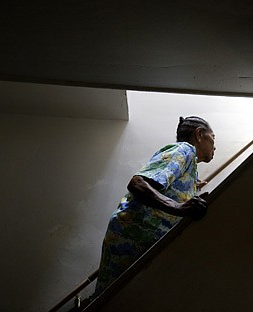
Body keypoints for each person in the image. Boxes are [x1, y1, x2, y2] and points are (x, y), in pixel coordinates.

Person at [93, 116, 216, 297]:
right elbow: (137, 183)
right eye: (213, 137)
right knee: (108, 300)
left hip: (139, 238)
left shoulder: (189, 168)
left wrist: (190, 193)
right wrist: (179, 208)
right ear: (199, 134)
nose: (214, 145)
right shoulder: (185, 149)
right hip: (132, 233)